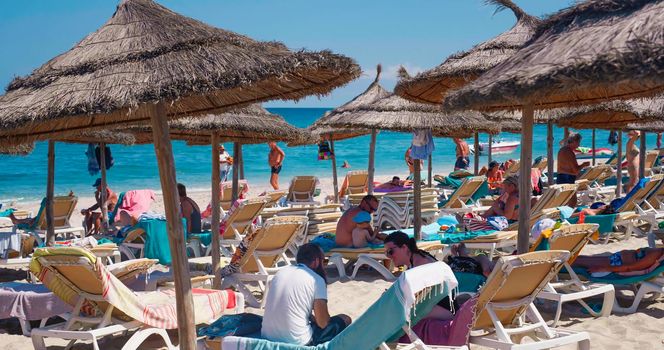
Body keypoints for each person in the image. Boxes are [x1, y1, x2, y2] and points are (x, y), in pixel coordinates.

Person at [262, 243, 351, 345]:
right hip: (297, 342)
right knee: (345, 319)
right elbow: (323, 323)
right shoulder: (316, 280)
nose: (325, 266)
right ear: (316, 261)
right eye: (324, 261)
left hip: (267, 336)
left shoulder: (281, 272)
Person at [557, 132, 589, 207]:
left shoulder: (562, 150)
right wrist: (584, 165)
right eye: (578, 142)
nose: (579, 145)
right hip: (567, 178)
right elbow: (575, 170)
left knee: (565, 202)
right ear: (574, 142)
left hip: (562, 177)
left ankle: (566, 217)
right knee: (572, 202)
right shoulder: (569, 152)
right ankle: (568, 217)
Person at [573, 248, 664, 273]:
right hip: (616, 259)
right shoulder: (660, 252)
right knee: (579, 258)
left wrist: (603, 268)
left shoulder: (656, 255)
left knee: (577, 261)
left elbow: (630, 268)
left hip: (616, 263)